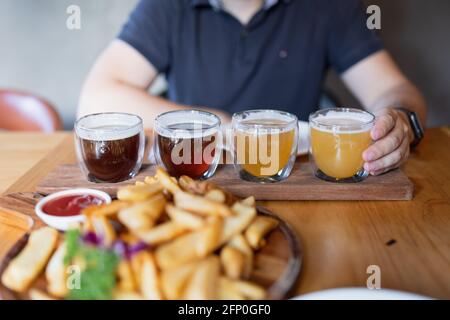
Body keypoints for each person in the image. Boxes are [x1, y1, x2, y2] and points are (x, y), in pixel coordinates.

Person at [78, 0, 427, 176]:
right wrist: (219, 122)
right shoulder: (168, 7)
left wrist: (399, 120)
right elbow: (96, 99)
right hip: (195, 176)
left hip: (293, 178)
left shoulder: (328, 6)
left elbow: (395, 89)